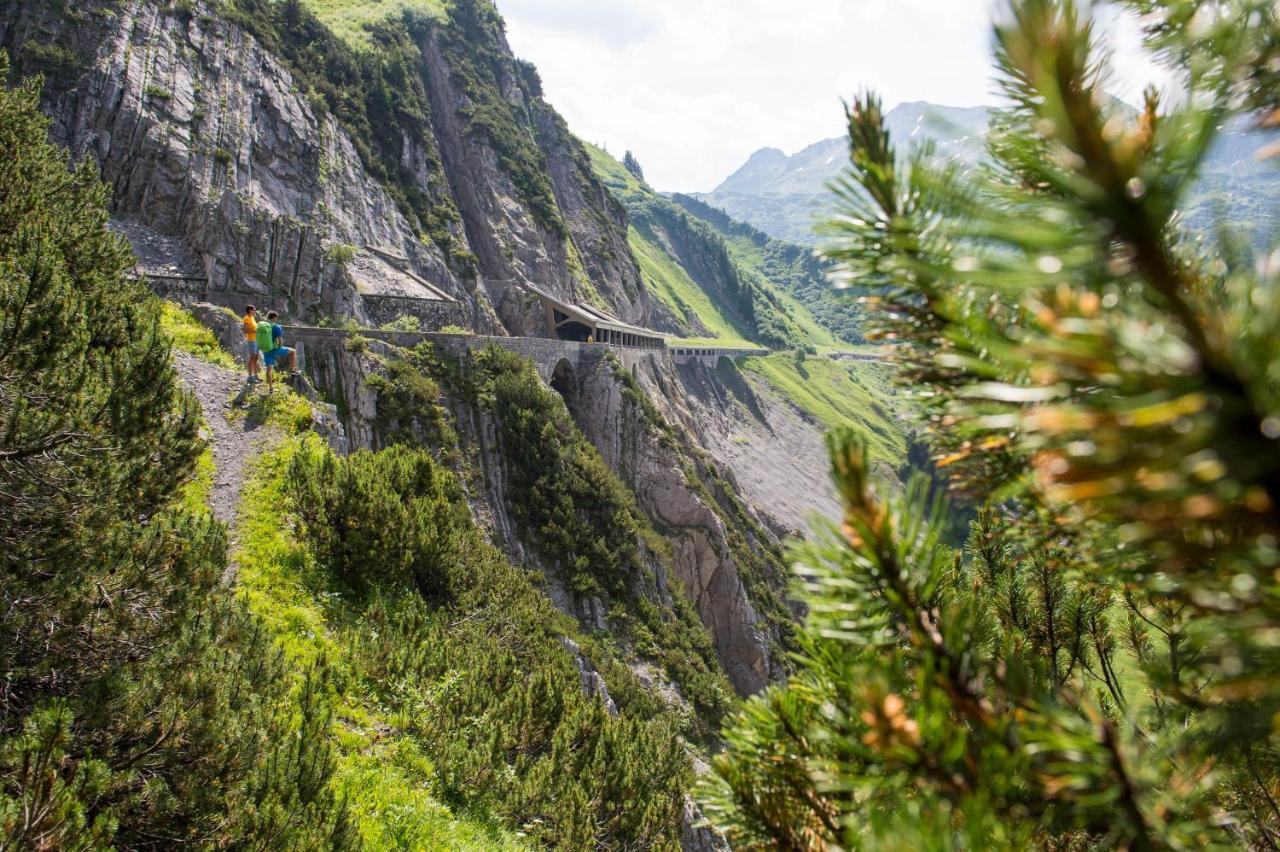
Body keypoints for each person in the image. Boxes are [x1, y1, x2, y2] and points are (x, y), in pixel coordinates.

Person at [259, 310, 298, 391]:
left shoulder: (264, 326)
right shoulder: (277, 327)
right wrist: (279, 348)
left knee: (269, 369)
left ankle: (270, 387)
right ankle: (292, 370)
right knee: (293, 351)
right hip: (275, 349)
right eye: (277, 318)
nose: (277, 319)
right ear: (275, 318)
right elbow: (280, 341)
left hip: (266, 349)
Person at [241, 305, 259, 382]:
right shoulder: (246, 318)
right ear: (250, 310)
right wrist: (255, 331)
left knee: (256, 358)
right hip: (251, 340)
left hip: (256, 340)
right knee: (252, 357)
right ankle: (249, 376)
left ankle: (255, 376)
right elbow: (245, 330)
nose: (255, 311)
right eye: (254, 310)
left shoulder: (252, 318)